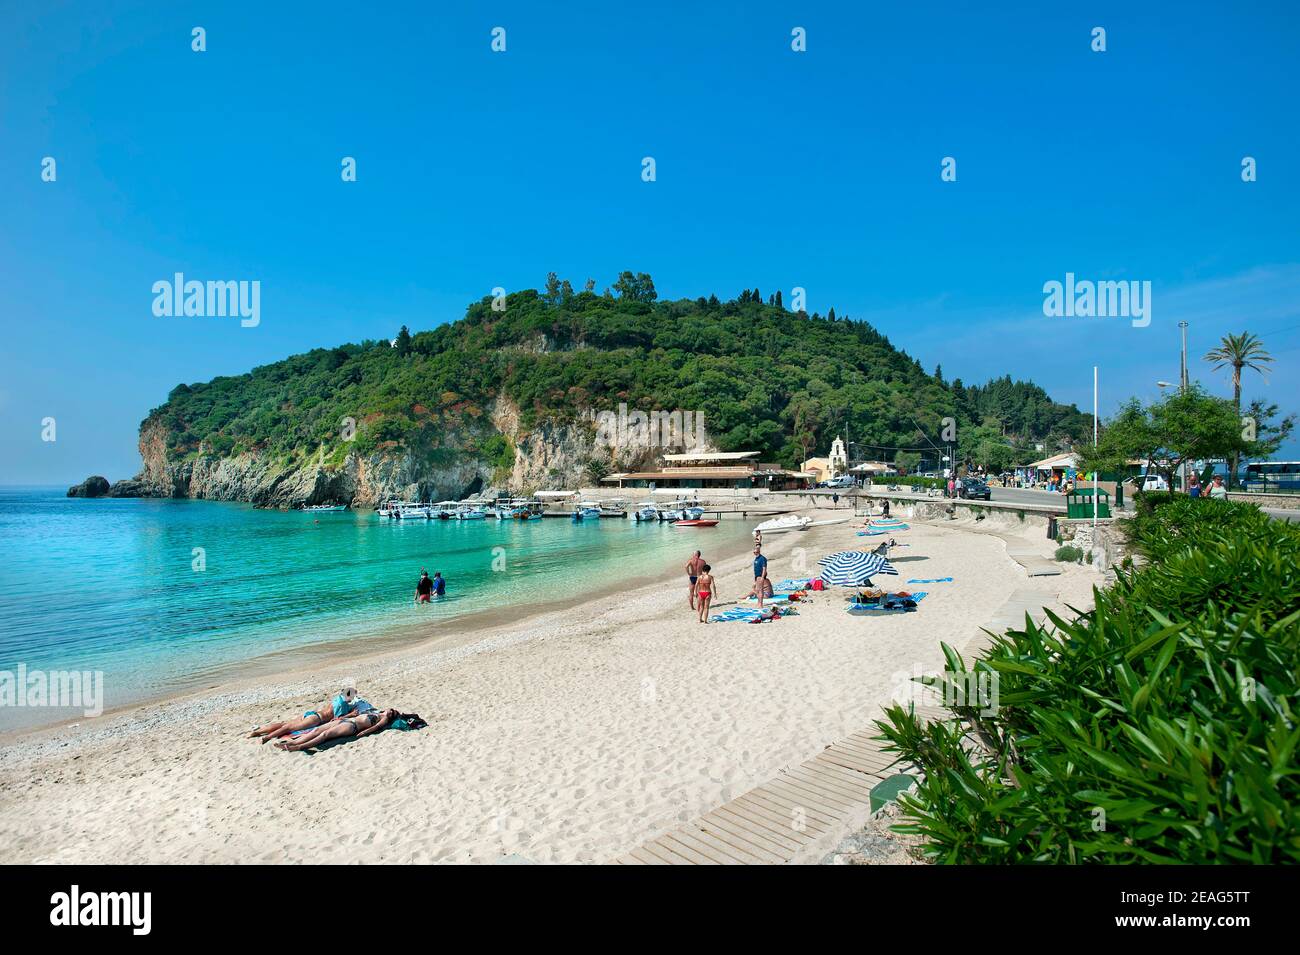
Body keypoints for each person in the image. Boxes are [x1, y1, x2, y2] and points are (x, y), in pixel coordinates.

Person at [247, 687, 360, 744]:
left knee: (284, 724)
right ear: (349, 696)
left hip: (311, 714)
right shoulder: (343, 704)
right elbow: (337, 719)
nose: (353, 698)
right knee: (287, 728)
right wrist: (351, 714)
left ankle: (257, 731)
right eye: (353, 696)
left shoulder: (338, 698)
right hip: (315, 719)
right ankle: (266, 738)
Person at [275, 707, 400, 751]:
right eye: (391, 709)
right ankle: (293, 742)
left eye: (392, 711)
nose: (391, 710)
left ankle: (300, 746)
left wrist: (364, 732)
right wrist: (347, 716)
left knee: (325, 734)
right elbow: (357, 714)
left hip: (352, 726)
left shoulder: (384, 718)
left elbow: (376, 727)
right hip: (346, 720)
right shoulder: (376, 712)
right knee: (316, 730)